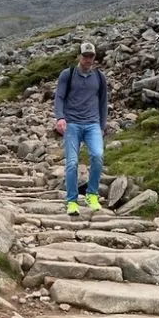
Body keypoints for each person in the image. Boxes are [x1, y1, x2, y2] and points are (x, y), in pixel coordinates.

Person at [53, 42, 108, 216]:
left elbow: (103, 103)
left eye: (91, 56)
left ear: (94, 57)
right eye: (85, 56)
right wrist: (60, 117)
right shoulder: (67, 75)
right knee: (72, 163)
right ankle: (72, 201)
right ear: (79, 56)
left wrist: (101, 126)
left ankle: (92, 194)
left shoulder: (99, 77)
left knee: (98, 156)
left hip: (92, 124)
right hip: (72, 124)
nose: (88, 59)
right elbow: (59, 97)